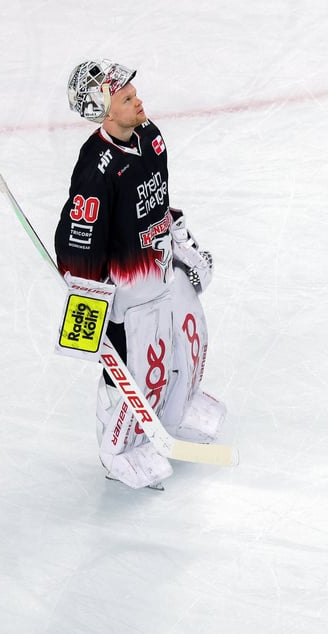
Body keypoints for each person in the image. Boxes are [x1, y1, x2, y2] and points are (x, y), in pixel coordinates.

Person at [55, 59, 225, 489]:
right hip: (127, 295)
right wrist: (89, 301)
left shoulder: (151, 138)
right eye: (127, 98)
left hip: (162, 271)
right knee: (132, 373)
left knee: (186, 343)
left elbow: (160, 201)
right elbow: (80, 239)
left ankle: (176, 413)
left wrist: (182, 240)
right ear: (105, 111)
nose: (139, 100)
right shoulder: (96, 168)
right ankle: (119, 451)